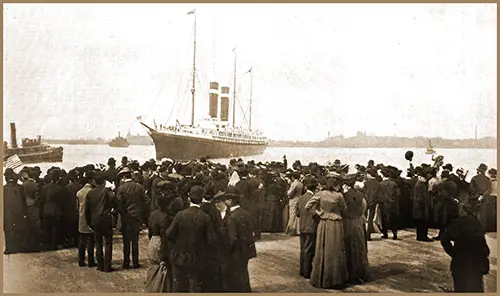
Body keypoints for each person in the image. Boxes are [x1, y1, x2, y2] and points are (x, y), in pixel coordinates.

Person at [166, 185, 216, 292]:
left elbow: (169, 234)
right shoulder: (205, 217)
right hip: (197, 256)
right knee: (195, 284)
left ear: (189, 198)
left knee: (178, 285)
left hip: (179, 255)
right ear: (202, 199)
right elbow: (211, 239)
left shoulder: (180, 215)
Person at [305, 172, 348, 289]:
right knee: (335, 249)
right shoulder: (339, 196)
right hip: (336, 223)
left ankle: (321, 277)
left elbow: (308, 206)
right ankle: (335, 279)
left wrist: (320, 213)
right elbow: (344, 210)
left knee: (323, 248)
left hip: (324, 223)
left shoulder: (320, 194)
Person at [440, 201, 490, 292]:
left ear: (463, 210)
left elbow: (444, 239)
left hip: (460, 263)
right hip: (476, 265)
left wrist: (453, 253)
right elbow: (484, 246)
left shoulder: (457, 223)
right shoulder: (477, 223)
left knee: (460, 288)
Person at [145, 181, 179, 293]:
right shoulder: (166, 217)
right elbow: (164, 237)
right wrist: (164, 256)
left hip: (152, 242)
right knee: (162, 274)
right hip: (159, 244)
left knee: (152, 271)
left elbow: (150, 232)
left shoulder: (153, 214)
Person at [223, 188, 257, 292]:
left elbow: (232, 238)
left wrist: (226, 250)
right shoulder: (245, 213)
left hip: (236, 251)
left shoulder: (232, 217)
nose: (225, 202)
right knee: (243, 272)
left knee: (235, 274)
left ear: (230, 201)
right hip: (246, 249)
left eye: (226, 200)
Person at [116, 167, 148, 269]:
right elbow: (147, 201)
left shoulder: (121, 188)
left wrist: (123, 213)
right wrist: (140, 210)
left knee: (126, 241)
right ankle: (135, 262)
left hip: (126, 217)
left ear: (124, 177)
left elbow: (119, 204)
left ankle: (126, 262)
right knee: (135, 241)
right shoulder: (139, 187)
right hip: (136, 217)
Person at [85, 173, 117, 272]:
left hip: (95, 220)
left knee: (98, 243)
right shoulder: (107, 191)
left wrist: (89, 223)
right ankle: (107, 266)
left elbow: (87, 210)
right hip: (106, 219)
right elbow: (115, 201)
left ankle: (100, 265)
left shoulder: (90, 193)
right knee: (108, 243)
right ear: (103, 182)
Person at [342, 177, 370, 284]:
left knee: (348, 248)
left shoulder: (344, 196)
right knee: (359, 248)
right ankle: (360, 273)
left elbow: (342, 209)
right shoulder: (361, 195)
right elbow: (364, 208)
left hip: (348, 223)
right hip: (358, 222)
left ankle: (350, 274)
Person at [295, 177, 318, 279]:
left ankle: (302, 270)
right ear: (315, 187)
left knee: (303, 248)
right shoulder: (314, 198)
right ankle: (307, 271)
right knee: (309, 249)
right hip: (311, 226)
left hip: (302, 226)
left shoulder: (301, 198)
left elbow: (298, 213)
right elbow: (314, 213)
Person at [3, 169, 29, 254]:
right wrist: (25, 213)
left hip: (7, 212)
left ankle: (9, 248)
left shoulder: (3, 189)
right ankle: (18, 247)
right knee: (18, 229)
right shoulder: (20, 187)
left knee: (8, 230)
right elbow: (24, 201)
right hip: (19, 212)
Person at [76, 171, 96, 268]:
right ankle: (91, 261)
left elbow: (77, 207)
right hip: (90, 218)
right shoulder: (92, 192)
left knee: (82, 240)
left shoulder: (79, 192)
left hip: (81, 218)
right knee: (91, 241)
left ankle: (81, 260)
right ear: (90, 180)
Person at [378, 167, 401, 240]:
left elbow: (379, 195)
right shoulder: (393, 183)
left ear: (383, 175)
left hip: (383, 205)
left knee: (384, 219)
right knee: (393, 219)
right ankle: (395, 234)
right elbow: (398, 193)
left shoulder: (380, 184)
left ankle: (385, 234)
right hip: (392, 204)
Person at [412, 167, 433, 242]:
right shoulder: (419, 185)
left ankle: (421, 236)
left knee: (421, 223)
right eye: (424, 178)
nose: (425, 179)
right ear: (420, 177)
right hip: (421, 207)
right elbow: (420, 198)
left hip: (420, 207)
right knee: (422, 223)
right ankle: (422, 237)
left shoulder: (421, 184)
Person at [285, 172, 303, 236]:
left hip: (293, 200)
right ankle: (297, 230)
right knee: (297, 216)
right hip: (299, 199)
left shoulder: (294, 184)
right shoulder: (301, 183)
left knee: (292, 214)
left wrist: (287, 192)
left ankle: (291, 229)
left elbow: (290, 193)